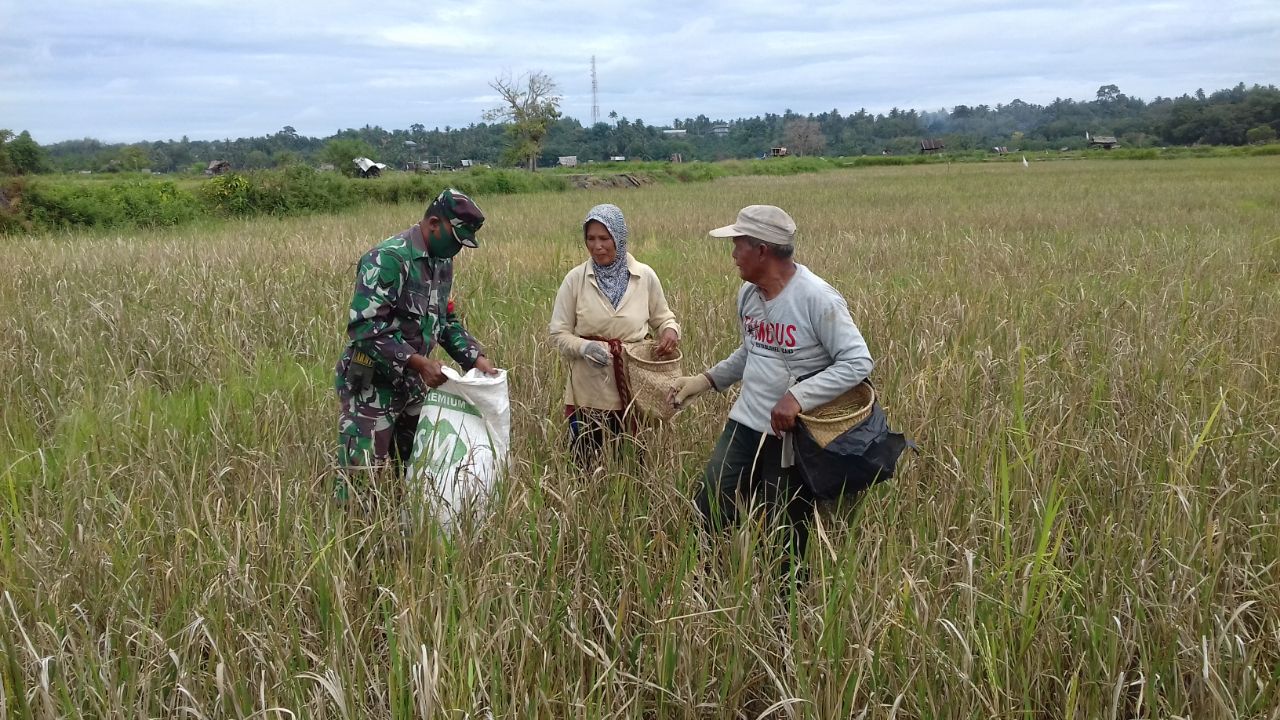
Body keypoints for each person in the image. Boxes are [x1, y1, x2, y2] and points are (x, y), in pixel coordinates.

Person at [668, 204, 874, 569]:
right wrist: (705, 380)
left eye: (738, 245)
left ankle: (784, 598)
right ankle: (704, 583)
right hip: (745, 423)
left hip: (791, 436)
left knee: (784, 525)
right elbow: (752, 351)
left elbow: (857, 361)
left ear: (762, 250)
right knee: (710, 505)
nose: (733, 255)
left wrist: (797, 398)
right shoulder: (749, 295)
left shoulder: (817, 298)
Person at [334, 188, 498, 502]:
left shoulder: (442, 262)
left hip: (410, 384)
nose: (457, 250)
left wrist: (475, 358)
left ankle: (404, 527)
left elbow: (444, 321)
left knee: (418, 469)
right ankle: (357, 531)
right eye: (455, 240)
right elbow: (364, 328)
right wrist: (419, 363)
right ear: (434, 224)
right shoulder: (388, 259)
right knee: (361, 478)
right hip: (371, 386)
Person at [548, 203, 680, 465]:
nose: (597, 246)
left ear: (619, 238)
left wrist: (669, 331)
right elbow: (558, 333)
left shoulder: (644, 276)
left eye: (604, 238)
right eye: (591, 239)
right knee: (585, 466)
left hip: (634, 391)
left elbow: (664, 317)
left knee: (631, 465)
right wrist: (584, 348)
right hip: (588, 393)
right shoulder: (575, 279)